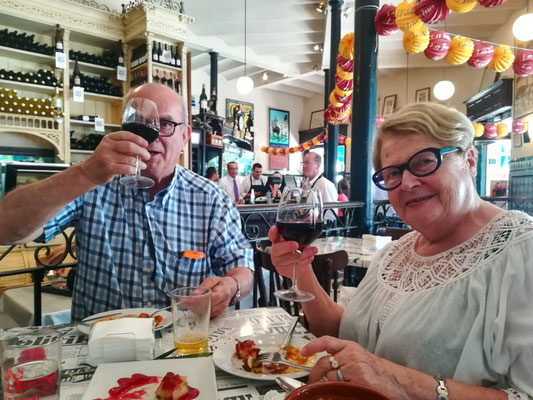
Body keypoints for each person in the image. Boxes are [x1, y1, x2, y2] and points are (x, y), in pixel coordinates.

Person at [268, 103, 533, 398]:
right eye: (392, 173)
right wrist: (300, 272)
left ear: (469, 160)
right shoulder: (396, 252)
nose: (407, 182)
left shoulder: (523, 253)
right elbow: (350, 336)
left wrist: (394, 378)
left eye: (423, 162)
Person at [0, 83, 254, 320]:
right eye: (140, 123)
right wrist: (85, 173)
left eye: (164, 124)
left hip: (183, 343)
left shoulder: (210, 197)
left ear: (185, 137)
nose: (151, 135)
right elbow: (6, 228)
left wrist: (231, 287)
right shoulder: (92, 184)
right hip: (102, 350)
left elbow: (242, 265)